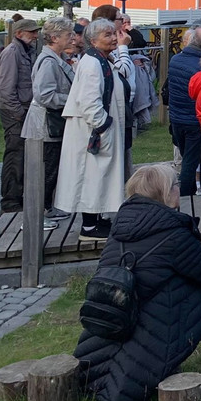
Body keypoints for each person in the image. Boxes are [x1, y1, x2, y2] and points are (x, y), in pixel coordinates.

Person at [74, 164, 201, 401]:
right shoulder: (174, 235)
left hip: (112, 321)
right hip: (156, 323)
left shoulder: (118, 229)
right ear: (165, 193)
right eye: (175, 185)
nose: (178, 190)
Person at [54, 20, 131, 241]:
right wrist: (104, 125)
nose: (114, 38)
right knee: (90, 175)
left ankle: (96, 219)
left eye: (113, 34)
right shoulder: (92, 64)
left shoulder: (102, 60)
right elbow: (89, 102)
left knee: (98, 175)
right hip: (92, 131)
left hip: (98, 129)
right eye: (108, 35)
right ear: (93, 40)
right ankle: (89, 226)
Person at [22, 17, 77, 225]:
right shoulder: (48, 61)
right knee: (44, 171)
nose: (72, 38)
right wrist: (73, 100)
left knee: (52, 170)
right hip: (44, 126)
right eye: (67, 35)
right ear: (54, 38)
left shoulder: (56, 58)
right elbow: (44, 95)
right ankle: (37, 216)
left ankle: (46, 208)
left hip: (52, 124)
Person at [0, 18, 39, 212]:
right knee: (15, 156)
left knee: (22, 155)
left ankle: (17, 196)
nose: (35, 35)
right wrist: (19, 114)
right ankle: (10, 200)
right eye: (31, 32)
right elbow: (5, 90)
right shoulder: (12, 52)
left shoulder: (25, 52)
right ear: (19, 33)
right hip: (15, 112)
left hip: (22, 110)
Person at [166, 26, 201, 197]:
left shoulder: (175, 60)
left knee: (187, 159)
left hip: (177, 118)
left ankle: (189, 192)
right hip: (193, 120)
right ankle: (185, 198)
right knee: (190, 164)